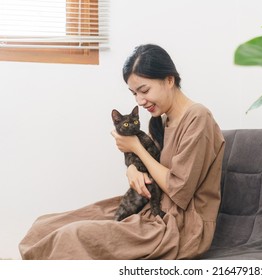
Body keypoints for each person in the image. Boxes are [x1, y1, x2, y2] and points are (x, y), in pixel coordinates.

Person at [19, 44, 225, 259]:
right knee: (44, 226)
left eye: (144, 90)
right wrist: (132, 170)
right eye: (134, 93)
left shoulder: (198, 118)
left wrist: (136, 147)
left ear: (169, 80)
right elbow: (149, 167)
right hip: (150, 207)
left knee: (72, 235)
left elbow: (179, 189)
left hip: (179, 224)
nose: (139, 100)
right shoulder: (163, 120)